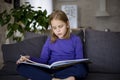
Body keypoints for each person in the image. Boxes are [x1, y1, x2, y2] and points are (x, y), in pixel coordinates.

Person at [16, 10, 87, 80]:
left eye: (60, 26)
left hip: (68, 69)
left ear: (67, 24)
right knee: (21, 66)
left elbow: (79, 61)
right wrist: (28, 58)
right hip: (51, 69)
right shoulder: (50, 40)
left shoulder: (76, 40)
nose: (58, 30)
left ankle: (42, 77)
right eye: (54, 28)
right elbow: (43, 60)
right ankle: (54, 79)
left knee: (82, 68)